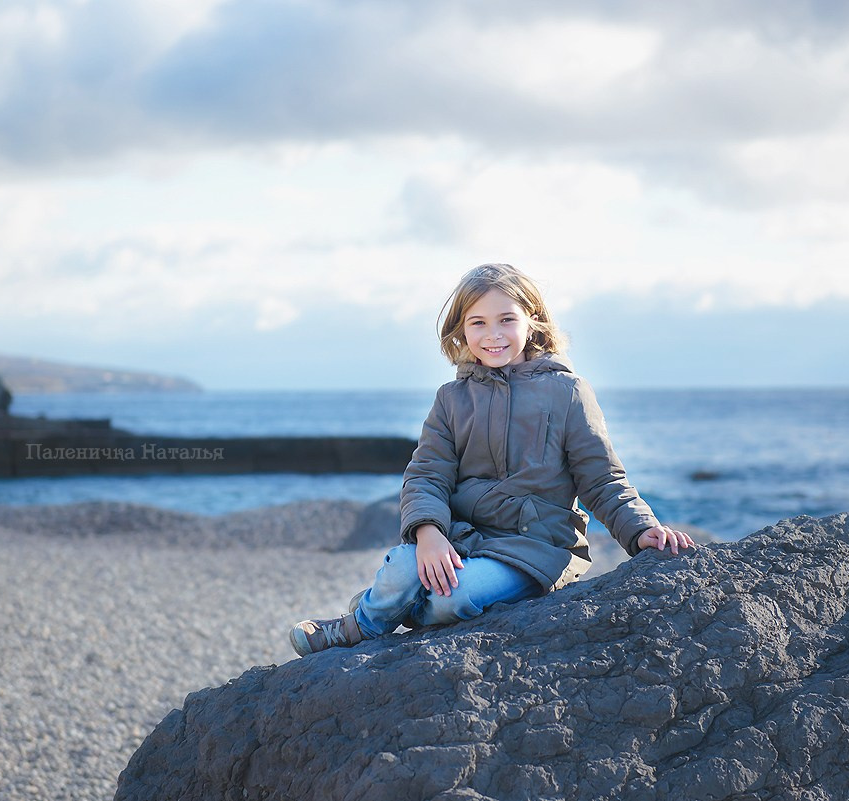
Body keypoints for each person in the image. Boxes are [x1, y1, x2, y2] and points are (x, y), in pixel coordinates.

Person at [290, 263, 695, 657]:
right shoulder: (452, 399)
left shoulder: (567, 392)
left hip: (537, 547)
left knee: (455, 598)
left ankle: (391, 602)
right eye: (478, 322)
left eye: (506, 320)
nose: (493, 335)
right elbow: (427, 475)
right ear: (461, 329)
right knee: (405, 564)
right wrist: (429, 533)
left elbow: (602, 479)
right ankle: (359, 626)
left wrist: (643, 531)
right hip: (463, 535)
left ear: (532, 320)